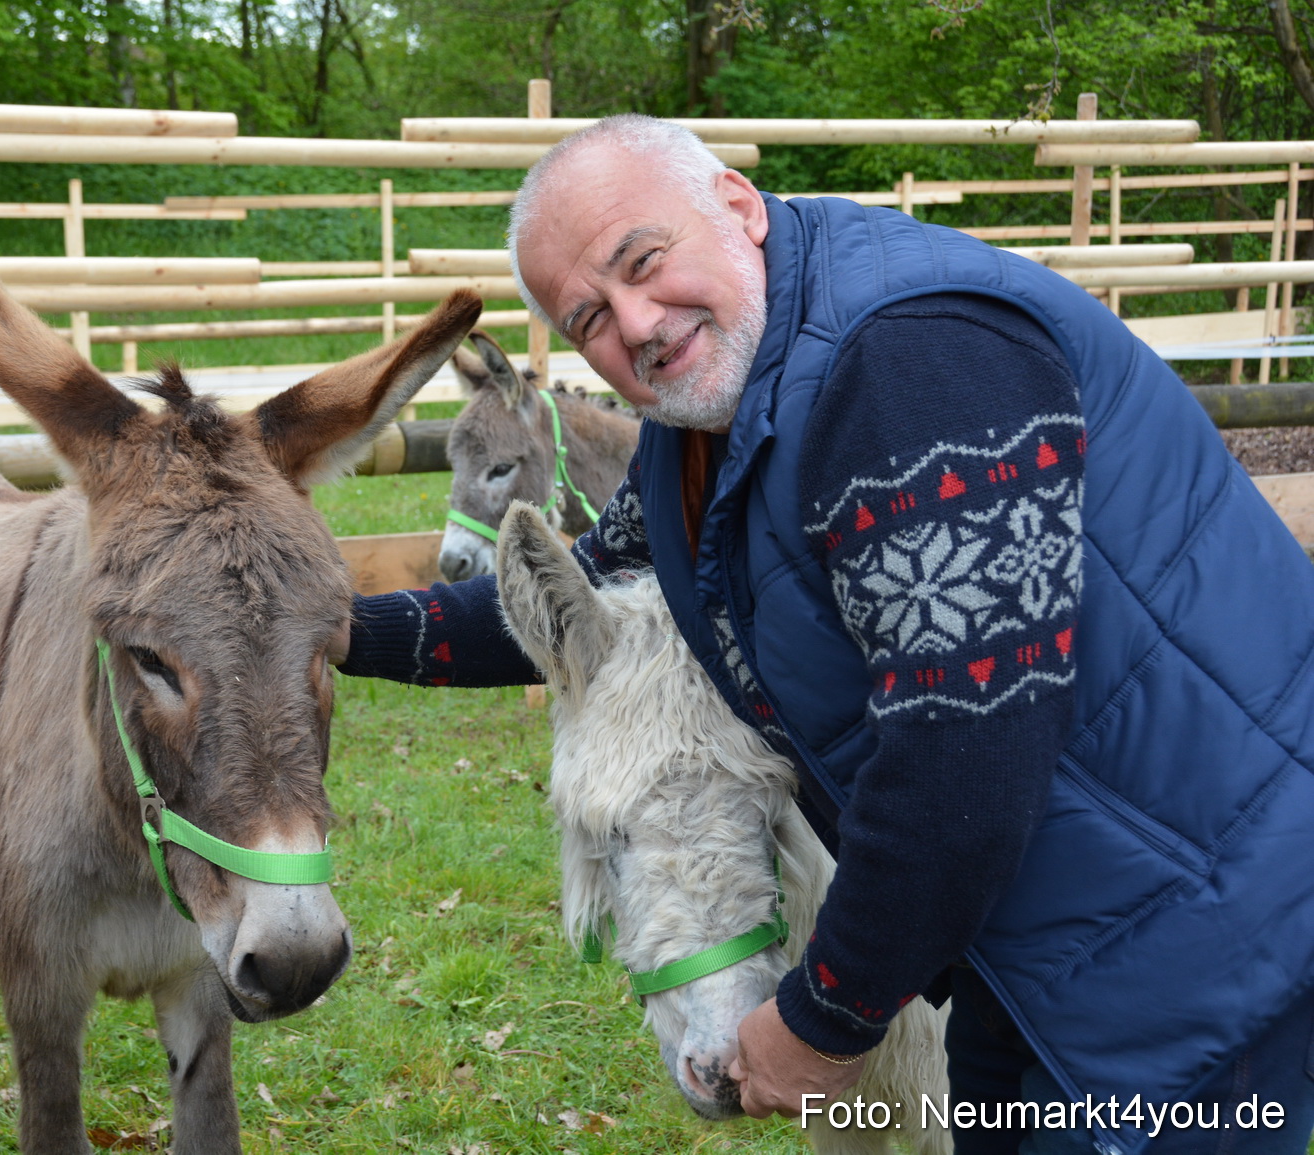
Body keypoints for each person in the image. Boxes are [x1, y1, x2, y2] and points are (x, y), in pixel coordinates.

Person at [336, 114, 1314, 1154]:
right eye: (589, 317)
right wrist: (330, 629)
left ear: (737, 205)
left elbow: (962, 755)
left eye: (644, 261)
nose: (637, 321)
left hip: (1191, 920)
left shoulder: (905, 366)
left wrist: (822, 1023)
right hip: (1049, 924)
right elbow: (572, 602)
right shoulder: (708, 421)